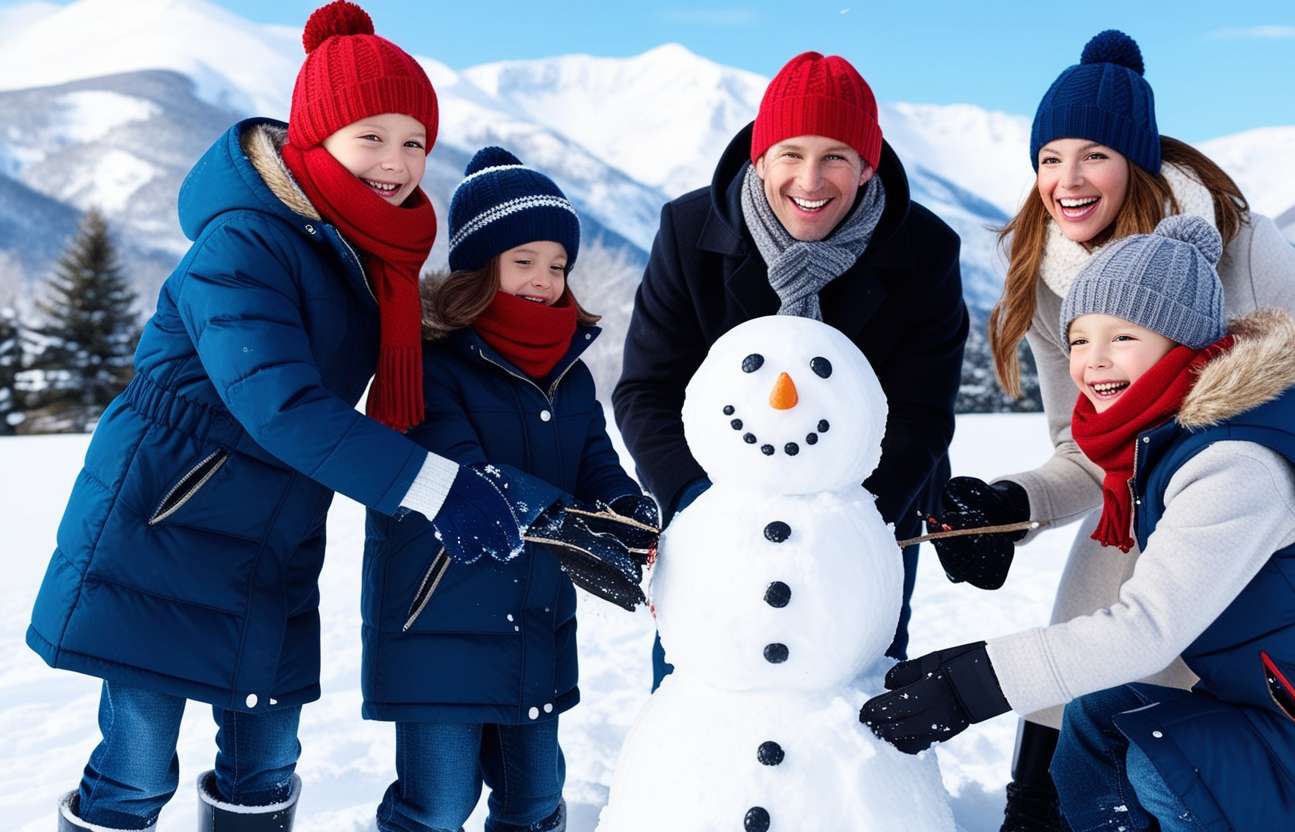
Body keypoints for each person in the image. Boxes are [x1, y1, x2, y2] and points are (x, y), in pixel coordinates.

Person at [27, 5, 526, 829]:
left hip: (273, 534)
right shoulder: (244, 243)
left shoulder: (371, 256)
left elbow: (412, 393)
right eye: (373, 136)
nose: (398, 163)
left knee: (264, 766)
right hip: (166, 523)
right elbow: (281, 405)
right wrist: (438, 488)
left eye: (415, 142)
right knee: (136, 769)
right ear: (317, 136)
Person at [924, 29, 1295, 830]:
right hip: (1139, 499)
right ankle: (1034, 806)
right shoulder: (1046, 279)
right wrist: (1012, 507)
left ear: (1135, 163)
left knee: (1220, 684)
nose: (1066, 180)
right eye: (1049, 159)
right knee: (1083, 625)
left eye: (1093, 156)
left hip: (1255, 493)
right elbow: (1087, 449)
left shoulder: (1239, 244)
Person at [862, 215, 1295, 832]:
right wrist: (1012, 507)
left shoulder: (1237, 464)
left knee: (1167, 771)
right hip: (1290, 695)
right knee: (1099, 719)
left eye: (1123, 337)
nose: (1093, 362)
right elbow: (1087, 470)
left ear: (1182, 344)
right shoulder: (1166, 440)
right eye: (1081, 339)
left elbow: (1145, 630)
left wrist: (972, 684)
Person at [612, 51, 967, 689]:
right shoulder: (689, 231)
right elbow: (647, 390)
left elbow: (921, 411)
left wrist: (853, 521)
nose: (811, 178)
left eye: (836, 156)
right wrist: (699, 507)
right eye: (791, 153)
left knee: (851, 696)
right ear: (760, 157)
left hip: (868, 506)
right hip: (714, 506)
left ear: (867, 166)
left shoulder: (925, 250)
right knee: (704, 688)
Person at [361, 147, 655, 832]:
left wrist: (623, 510)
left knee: (533, 803)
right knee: (436, 805)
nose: (544, 281)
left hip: (533, 618)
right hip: (438, 614)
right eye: (524, 261)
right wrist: (560, 515)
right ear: (479, 267)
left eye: (557, 265)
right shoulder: (430, 360)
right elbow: (464, 470)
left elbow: (594, 461)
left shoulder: (571, 373)